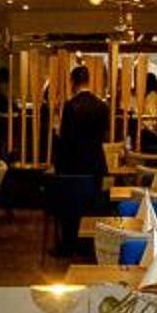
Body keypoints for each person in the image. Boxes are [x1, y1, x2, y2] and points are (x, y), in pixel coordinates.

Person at [50, 62, 110, 254]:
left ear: (73, 82)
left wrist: (57, 134)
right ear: (88, 81)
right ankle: (91, 245)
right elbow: (104, 135)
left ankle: (69, 245)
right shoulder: (102, 106)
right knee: (93, 205)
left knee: (70, 207)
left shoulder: (70, 106)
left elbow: (66, 139)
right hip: (96, 163)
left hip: (74, 164)